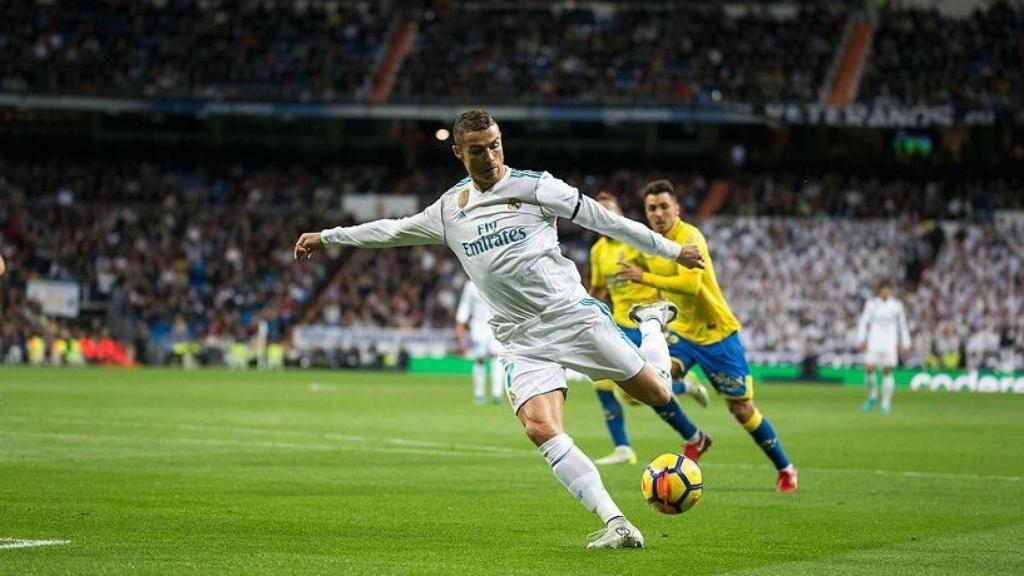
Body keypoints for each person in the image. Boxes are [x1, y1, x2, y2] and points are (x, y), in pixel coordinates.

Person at [294, 109, 705, 549]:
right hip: (521, 338)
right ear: (458, 153)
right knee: (539, 428)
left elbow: (605, 222)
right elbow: (393, 230)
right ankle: (617, 522)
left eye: (495, 144)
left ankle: (651, 322)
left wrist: (671, 250)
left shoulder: (536, 186)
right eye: (477, 150)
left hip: (572, 316)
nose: (490, 155)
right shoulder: (450, 210)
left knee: (658, 394)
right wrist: (330, 236)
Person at [615, 179, 798, 492]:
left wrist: (642, 276)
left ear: (677, 209)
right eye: (651, 208)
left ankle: (785, 467)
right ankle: (695, 438)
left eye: (663, 207)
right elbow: (648, 278)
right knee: (651, 385)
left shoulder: (689, 236)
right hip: (683, 333)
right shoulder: (649, 243)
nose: (657, 213)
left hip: (717, 335)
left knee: (742, 410)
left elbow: (691, 286)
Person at [588, 191, 710, 466]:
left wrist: (665, 314)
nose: (605, 216)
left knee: (640, 393)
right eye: (599, 211)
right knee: (602, 383)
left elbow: (663, 274)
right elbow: (598, 288)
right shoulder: (598, 251)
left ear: (619, 213)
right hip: (618, 324)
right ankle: (623, 448)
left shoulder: (635, 239)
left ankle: (686, 404)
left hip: (646, 323)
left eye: (610, 210)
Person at [857, 280, 911, 415]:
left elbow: (902, 324)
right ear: (879, 290)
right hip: (874, 340)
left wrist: (906, 341)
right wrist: (861, 338)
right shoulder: (872, 304)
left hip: (889, 342)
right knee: (869, 368)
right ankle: (872, 395)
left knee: (887, 371)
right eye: (883, 289)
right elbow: (864, 321)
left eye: (888, 289)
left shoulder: (897, 306)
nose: (886, 292)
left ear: (891, 291)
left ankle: (886, 403)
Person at [455, 279, 503, 404]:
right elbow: (465, 305)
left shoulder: (497, 280)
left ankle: (497, 394)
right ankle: (479, 394)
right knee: (480, 359)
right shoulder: (471, 285)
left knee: (497, 358)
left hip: (496, 325)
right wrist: (460, 324)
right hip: (478, 326)